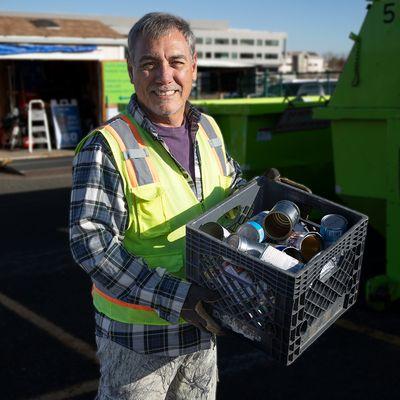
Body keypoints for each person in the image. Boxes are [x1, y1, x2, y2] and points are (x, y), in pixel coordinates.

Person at [69, 12, 244, 400]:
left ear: (193, 67)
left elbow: (230, 193)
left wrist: (264, 195)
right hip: (138, 343)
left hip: (201, 331)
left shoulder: (209, 130)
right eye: (149, 64)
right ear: (131, 70)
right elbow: (91, 244)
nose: (164, 75)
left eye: (176, 61)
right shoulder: (107, 146)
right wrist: (176, 297)